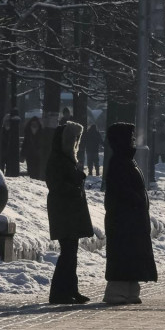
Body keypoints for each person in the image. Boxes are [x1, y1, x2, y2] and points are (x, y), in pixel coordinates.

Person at [102, 122, 156, 304]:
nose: (134, 140)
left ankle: (131, 290)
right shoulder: (119, 161)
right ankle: (117, 291)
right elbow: (121, 190)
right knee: (123, 254)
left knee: (133, 254)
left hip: (133, 219)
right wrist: (137, 201)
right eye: (130, 137)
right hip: (123, 220)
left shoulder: (126, 160)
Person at [45, 121, 94, 304]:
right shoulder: (58, 159)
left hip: (69, 212)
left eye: (77, 139)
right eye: (73, 138)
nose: (75, 142)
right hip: (64, 212)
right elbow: (57, 185)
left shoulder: (66, 158)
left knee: (71, 253)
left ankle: (71, 290)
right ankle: (59, 292)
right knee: (67, 253)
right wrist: (76, 180)